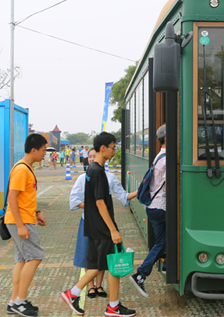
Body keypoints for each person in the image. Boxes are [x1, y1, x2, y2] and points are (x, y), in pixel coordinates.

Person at [61, 132, 136, 317]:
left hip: (95, 227)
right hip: (103, 229)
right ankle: (111, 306)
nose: (114, 150)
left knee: (98, 266)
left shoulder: (91, 170)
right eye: (113, 147)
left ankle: (75, 294)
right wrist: (113, 230)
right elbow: (100, 202)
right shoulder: (98, 172)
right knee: (112, 265)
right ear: (103, 148)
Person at [5, 133, 48, 317]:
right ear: (33, 150)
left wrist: (36, 212)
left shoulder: (26, 168)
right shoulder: (22, 169)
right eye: (44, 150)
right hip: (20, 221)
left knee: (22, 260)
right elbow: (12, 197)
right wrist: (21, 225)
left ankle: (14, 300)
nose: (45, 154)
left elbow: (24, 197)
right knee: (35, 257)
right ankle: (20, 302)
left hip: (24, 218)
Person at [130, 124, 167, 298]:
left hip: (152, 206)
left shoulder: (159, 156)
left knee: (162, 242)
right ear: (167, 138)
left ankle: (147, 272)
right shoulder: (167, 160)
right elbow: (168, 187)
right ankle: (141, 274)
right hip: (161, 207)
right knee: (165, 241)